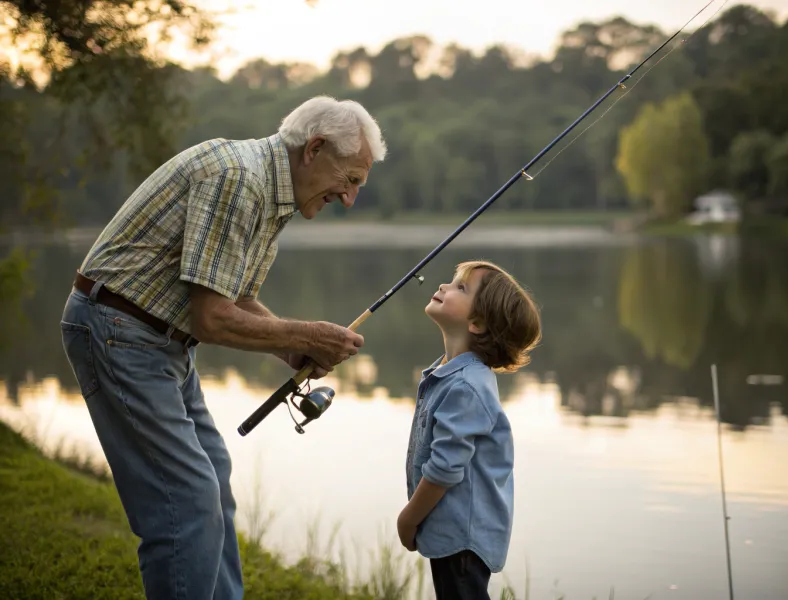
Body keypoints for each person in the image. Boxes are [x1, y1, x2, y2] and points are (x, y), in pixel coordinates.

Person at [58, 95, 387, 600]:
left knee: (213, 476)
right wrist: (306, 335)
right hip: (119, 331)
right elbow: (212, 318)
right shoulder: (240, 177)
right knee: (185, 502)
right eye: (350, 180)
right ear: (314, 149)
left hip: (160, 340)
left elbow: (236, 298)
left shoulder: (275, 193)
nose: (349, 199)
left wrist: (291, 352)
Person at [397, 259, 542, 600]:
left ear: (476, 323)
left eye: (461, 287)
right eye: (452, 281)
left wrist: (408, 518)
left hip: (464, 537)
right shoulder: (450, 372)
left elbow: (445, 469)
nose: (445, 287)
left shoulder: (467, 386)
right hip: (451, 532)